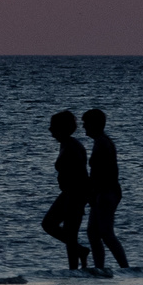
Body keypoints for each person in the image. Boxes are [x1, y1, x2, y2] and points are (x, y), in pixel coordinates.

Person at [40, 109, 90, 270]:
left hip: (75, 193)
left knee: (70, 231)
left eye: (53, 126)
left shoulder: (72, 147)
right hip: (68, 192)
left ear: (61, 128)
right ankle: (79, 253)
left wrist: (80, 197)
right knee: (50, 225)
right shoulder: (66, 144)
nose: (50, 130)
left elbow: (80, 174)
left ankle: (74, 268)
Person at [84, 108, 128, 268]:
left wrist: (96, 192)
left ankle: (125, 267)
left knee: (106, 233)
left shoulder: (102, 143)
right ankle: (99, 268)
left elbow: (101, 172)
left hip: (105, 192)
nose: (83, 127)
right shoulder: (102, 141)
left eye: (86, 123)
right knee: (93, 233)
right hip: (103, 192)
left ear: (94, 124)